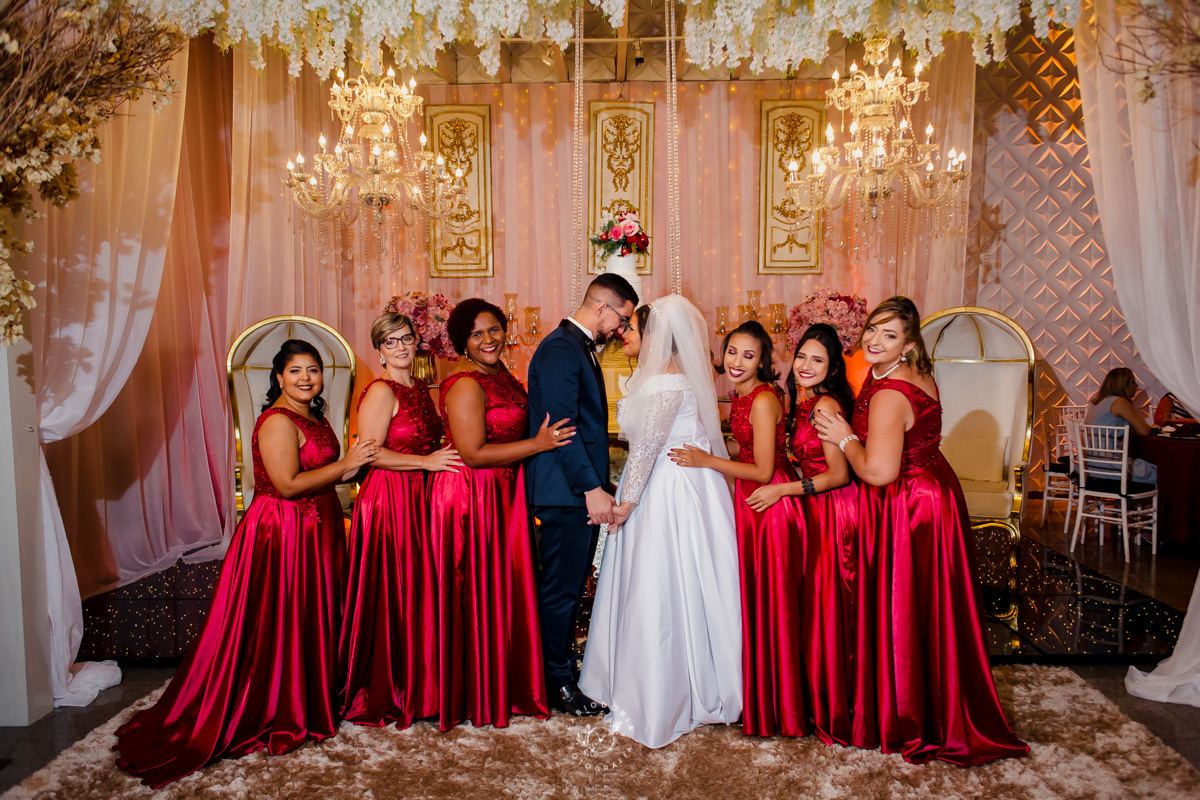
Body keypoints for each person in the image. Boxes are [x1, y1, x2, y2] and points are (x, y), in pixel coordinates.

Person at [116, 340, 378, 788]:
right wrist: (347, 464)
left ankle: (306, 697)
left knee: (309, 618)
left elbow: (333, 470)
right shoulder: (276, 421)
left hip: (318, 530)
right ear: (278, 377)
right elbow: (288, 484)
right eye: (295, 371)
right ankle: (280, 705)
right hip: (286, 533)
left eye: (313, 370)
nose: (305, 378)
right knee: (278, 621)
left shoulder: (312, 415)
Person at [813, 296, 1028, 766]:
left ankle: (907, 714)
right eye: (873, 329)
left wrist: (843, 434)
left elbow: (876, 472)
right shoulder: (901, 373)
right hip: (934, 492)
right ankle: (929, 701)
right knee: (928, 607)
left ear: (908, 344)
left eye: (889, 335)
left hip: (909, 504)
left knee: (905, 607)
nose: (874, 340)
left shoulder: (890, 392)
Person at [579, 296, 742, 748]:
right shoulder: (678, 378)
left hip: (665, 489)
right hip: (689, 485)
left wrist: (626, 505)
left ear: (656, 336)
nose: (626, 333)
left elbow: (647, 448)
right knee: (690, 580)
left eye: (635, 328)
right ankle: (699, 677)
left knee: (660, 583)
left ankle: (662, 690)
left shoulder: (664, 384)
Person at [430, 298, 574, 730]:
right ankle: (473, 689)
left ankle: (505, 681)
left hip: (501, 492)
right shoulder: (464, 383)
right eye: (477, 334)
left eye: (494, 330)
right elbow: (472, 454)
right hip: (471, 494)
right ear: (461, 342)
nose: (488, 339)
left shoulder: (499, 373)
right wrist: (539, 445)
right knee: (475, 590)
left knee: (502, 588)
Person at [670, 320, 808, 738]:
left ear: (763, 361)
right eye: (732, 352)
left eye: (749, 356)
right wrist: (701, 445)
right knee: (753, 600)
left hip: (770, 505)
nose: (737, 362)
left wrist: (707, 460)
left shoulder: (764, 399)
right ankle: (761, 694)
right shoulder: (740, 395)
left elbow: (764, 468)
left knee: (772, 603)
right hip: (751, 501)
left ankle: (782, 705)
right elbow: (745, 448)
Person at [745, 323, 868, 748]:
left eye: (818, 360)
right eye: (802, 357)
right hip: (818, 510)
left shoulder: (824, 407)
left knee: (830, 608)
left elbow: (837, 475)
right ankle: (822, 700)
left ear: (832, 367)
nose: (806, 366)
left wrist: (781, 488)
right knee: (819, 608)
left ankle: (836, 706)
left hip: (837, 512)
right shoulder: (804, 402)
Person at [340, 313, 463, 728]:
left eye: (405, 339)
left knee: (417, 589)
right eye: (390, 342)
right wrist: (426, 462)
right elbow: (369, 453)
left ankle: (420, 680)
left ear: (416, 342)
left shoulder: (419, 388)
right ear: (379, 350)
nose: (400, 348)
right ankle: (391, 684)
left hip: (417, 497)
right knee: (395, 589)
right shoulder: (380, 390)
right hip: (388, 500)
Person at [525, 274, 638, 717]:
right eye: (622, 318)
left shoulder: (576, 345)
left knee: (569, 589)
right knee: (561, 591)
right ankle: (557, 683)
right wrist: (591, 487)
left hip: (573, 489)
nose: (621, 329)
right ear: (603, 307)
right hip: (563, 492)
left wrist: (601, 486)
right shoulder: (559, 348)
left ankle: (562, 672)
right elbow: (562, 430)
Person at [1084, 367, 1157, 485]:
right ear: (1123, 385)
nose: (1137, 386)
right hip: (1107, 465)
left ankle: (1131, 503)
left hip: (1087, 463)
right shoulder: (1119, 403)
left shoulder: (1096, 403)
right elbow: (1145, 431)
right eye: (1133, 382)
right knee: (1159, 473)